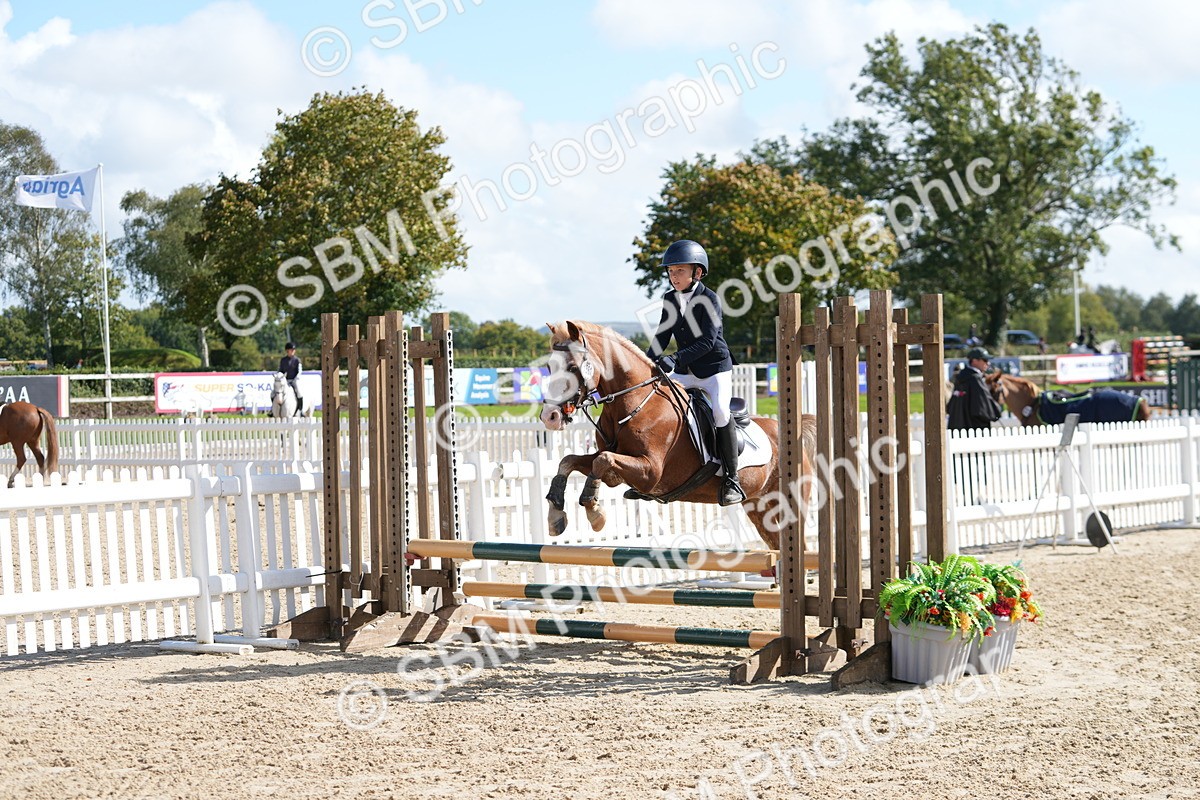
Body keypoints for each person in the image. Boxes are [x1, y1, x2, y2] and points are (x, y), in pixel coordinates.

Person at [644, 239, 744, 506]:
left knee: (721, 412)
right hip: (686, 370)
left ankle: (732, 478)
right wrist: (645, 362)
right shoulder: (669, 299)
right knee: (656, 402)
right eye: (671, 271)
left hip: (714, 370)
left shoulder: (710, 299)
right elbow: (662, 336)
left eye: (679, 271)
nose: (673, 276)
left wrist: (674, 359)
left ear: (697, 272)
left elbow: (707, 342)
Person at [947, 347, 1003, 431]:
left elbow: (950, 407)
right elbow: (985, 408)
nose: (988, 363)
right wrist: (997, 411)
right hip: (975, 431)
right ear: (974, 361)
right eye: (985, 360)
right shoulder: (975, 379)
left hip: (956, 430)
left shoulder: (960, 379)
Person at [279, 342, 304, 415]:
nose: (293, 351)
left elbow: (299, 371)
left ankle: (300, 409)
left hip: (294, 380)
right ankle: (274, 410)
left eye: (293, 350)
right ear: (287, 351)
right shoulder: (283, 360)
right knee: (274, 393)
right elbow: (280, 370)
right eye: (291, 350)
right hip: (285, 381)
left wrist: (296, 379)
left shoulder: (297, 360)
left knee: (299, 392)